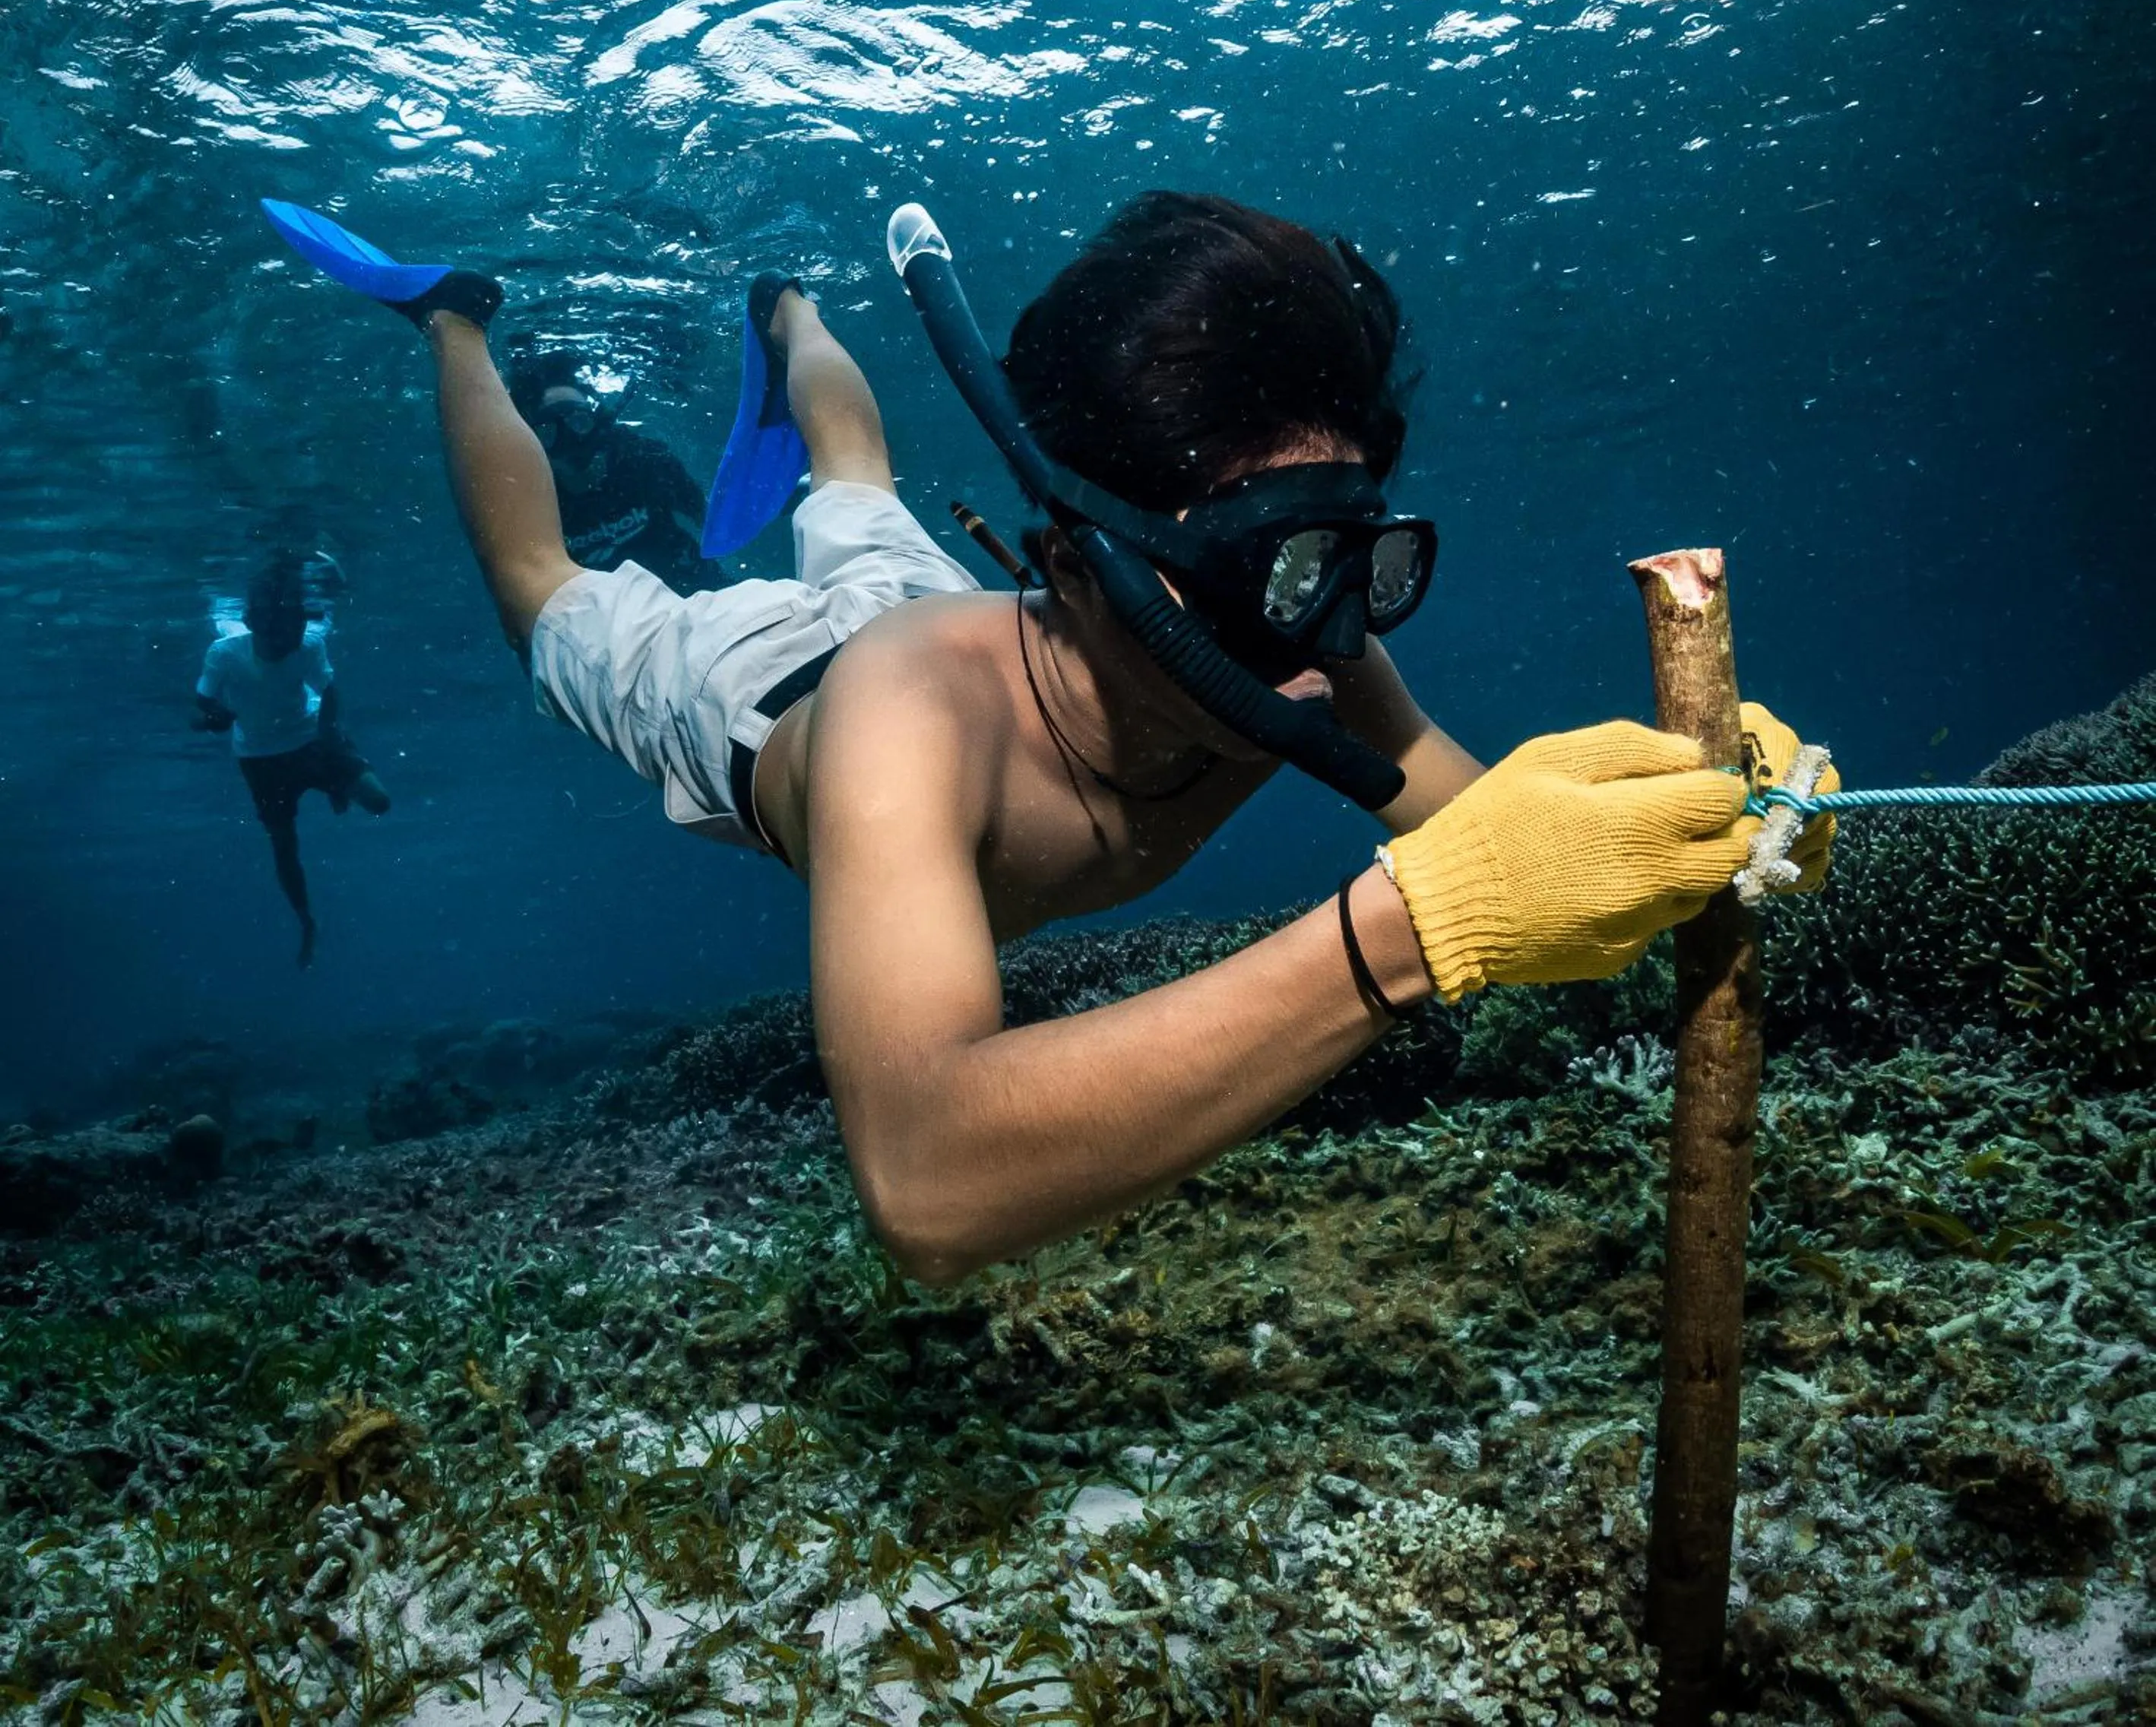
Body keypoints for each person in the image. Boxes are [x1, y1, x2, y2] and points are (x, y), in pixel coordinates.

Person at [306, 192, 1831, 1284]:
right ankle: (455, 317)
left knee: (852, 481)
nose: (1315, 633)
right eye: (1264, 565)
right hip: (763, 696)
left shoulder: (1304, 634)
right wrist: (1403, 937)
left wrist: (1699, 815)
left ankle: (786, 308)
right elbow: (924, 1174)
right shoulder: (913, 722)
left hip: (973, 613)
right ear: (1073, 553)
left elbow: (1492, 833)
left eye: (1342, 553)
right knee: (543, 591)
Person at [192, 551, 391, 968]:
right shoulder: (225, 652)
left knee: (379, 802)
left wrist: (327, 734)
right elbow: (203, 700)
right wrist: (215, 718)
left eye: (298, 626)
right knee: (284, 846)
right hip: (260, 757)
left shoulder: (308, 643)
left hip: (309, 736)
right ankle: (305, 921)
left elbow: (330, 690)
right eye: (282, 630)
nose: (292, 639)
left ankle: (334, 785)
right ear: (254, 625)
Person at [505, 348, 717, 595]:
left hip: (693, 587)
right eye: (549, 431)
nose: (570, 441)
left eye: (579, 422)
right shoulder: (533, 499)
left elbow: (709, 518)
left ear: (598, 424)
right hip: (611, 623)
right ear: (533, 441)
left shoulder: (643, 460)